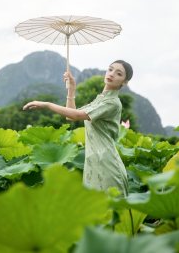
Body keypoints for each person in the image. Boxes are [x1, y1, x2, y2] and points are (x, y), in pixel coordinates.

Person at [23, 60, 133, 196]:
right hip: (93, 161)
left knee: (111, 212)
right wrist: (71, 89)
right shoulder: (101, 100)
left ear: (124, 82)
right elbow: (71, 115)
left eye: (119, 73)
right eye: (110, 69)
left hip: (107, 163)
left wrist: (47, 104)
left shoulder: (112, 103)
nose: (112, 74)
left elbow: (76, 115)